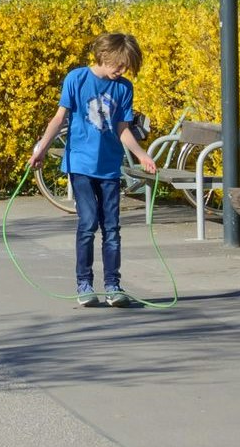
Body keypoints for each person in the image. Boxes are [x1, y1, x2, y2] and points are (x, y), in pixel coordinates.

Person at [28, 31, 157, 309]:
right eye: (119, 65)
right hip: (81, 165)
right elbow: (59, 118)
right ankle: (84, 284)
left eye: (126, 67)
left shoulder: (123, 88)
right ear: (103, 55)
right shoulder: (77, 79)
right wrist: (40, 149)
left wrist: (142, 154)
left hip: (109, 167)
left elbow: (122, 128)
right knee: (88, 224)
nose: (122, 71)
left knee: (112, 228)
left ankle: (113, 285)